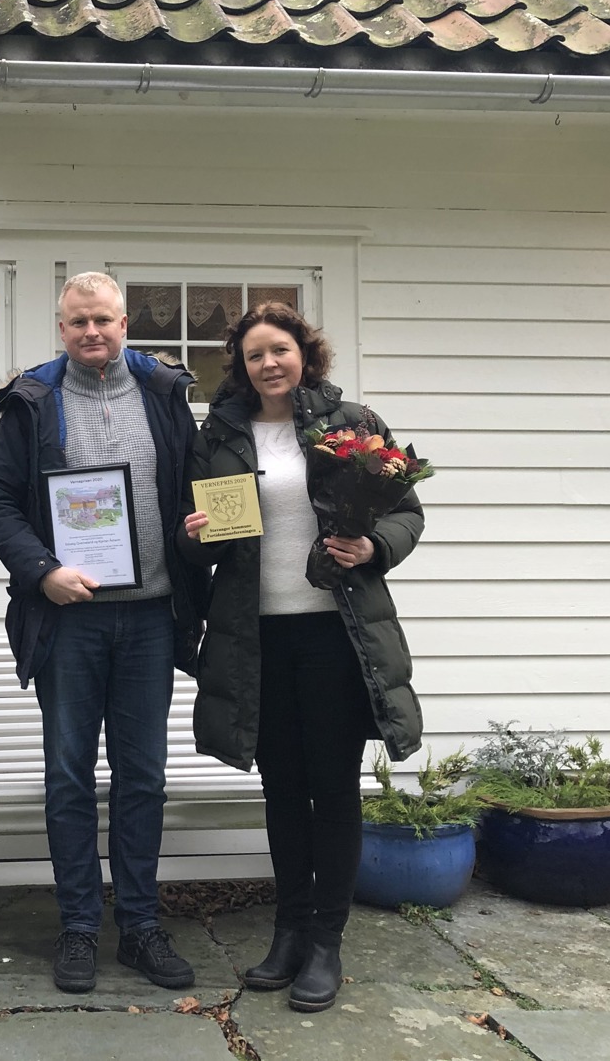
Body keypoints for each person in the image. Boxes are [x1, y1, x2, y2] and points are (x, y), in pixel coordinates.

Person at [181, 302, 424, 1013]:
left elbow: (406, 512)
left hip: (334, 635)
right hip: (257, 638)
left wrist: (373, 546)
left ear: (303, 353)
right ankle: (287, 932)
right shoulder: (221, 432)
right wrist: (195, 536)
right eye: (254, 355)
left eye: (279, 350)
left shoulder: (351, 422)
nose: (268, 364)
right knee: (282, 790)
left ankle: (326, 940)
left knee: (332, 788)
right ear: (242, 365)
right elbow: (194, 537)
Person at [0, 272, 210, 994]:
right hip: (68, 621)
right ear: (60, 327)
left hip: (151, 616)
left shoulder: (167, 394)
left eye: (102, 319)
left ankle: (138, 925)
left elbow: (198, 487)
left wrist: (201, 532)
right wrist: (41, 570)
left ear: (125, 321)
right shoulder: (33, 400)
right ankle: (77, 926)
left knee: (142, 777)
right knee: (69, 776)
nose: (90, 333)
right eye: (77, 322)